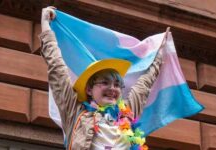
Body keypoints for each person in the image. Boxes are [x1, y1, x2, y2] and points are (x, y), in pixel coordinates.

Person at [39, 6, 166, 150]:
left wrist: (160, 54)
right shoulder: (75, 112)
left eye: (118, 84)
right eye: (105, 82)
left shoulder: (128, 111)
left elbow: (144, 85)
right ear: (89, 89)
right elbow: (57, 69)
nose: (112, 88)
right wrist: (45, 26)